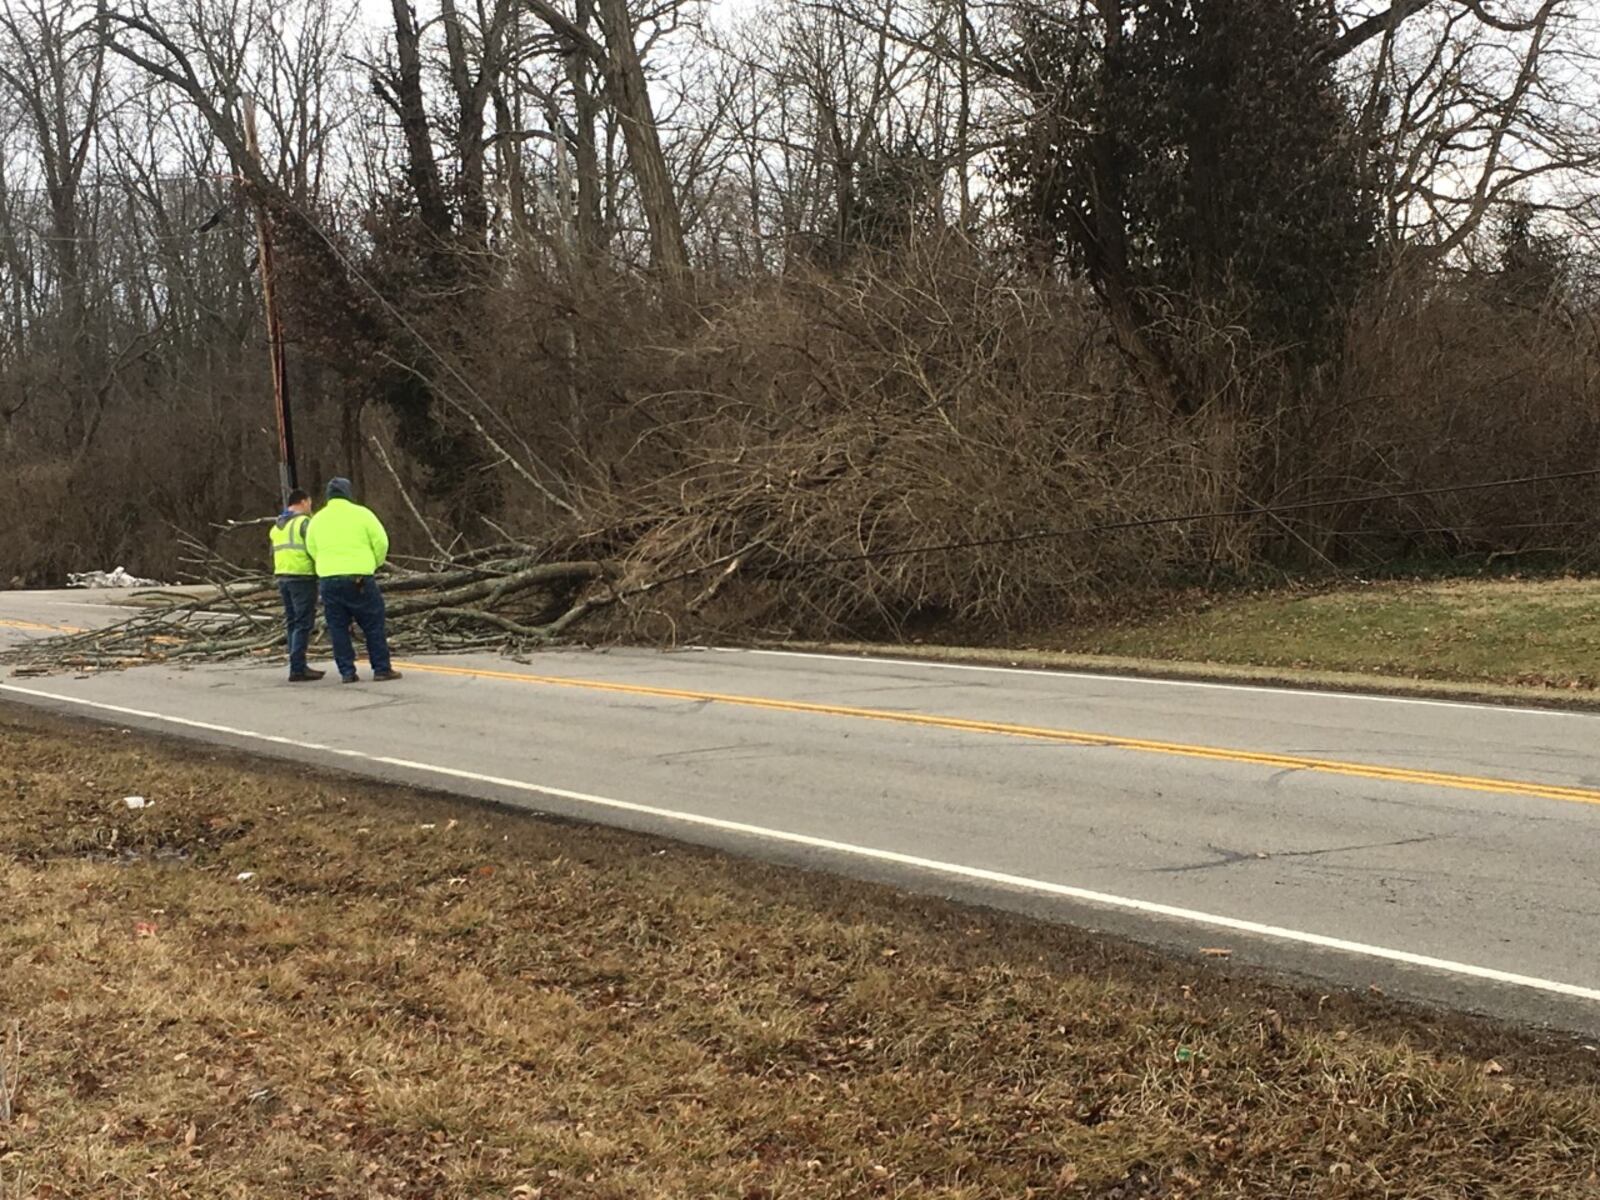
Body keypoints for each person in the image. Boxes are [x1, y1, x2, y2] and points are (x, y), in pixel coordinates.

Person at [304, 477, 402, 684]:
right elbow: (381, 542)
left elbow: (311, 548)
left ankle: (347, 672)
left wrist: (326, 565)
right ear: (348, 493)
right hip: (359, 577)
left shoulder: (317, 520)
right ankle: (381, 668)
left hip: (329, 579)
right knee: (373, 624)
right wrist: (374, 564)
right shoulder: (363, 514)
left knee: (338, 627)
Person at [269, 488, 324, 682]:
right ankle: (298, 667)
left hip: (283, 576)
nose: (310, 507)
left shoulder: (278, 526)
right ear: (302, 502)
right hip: (302, 576)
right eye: (309, 503)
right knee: (303, 623)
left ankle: (296, 664)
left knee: (292, 622)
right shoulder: (304, 523)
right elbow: (314, 548)